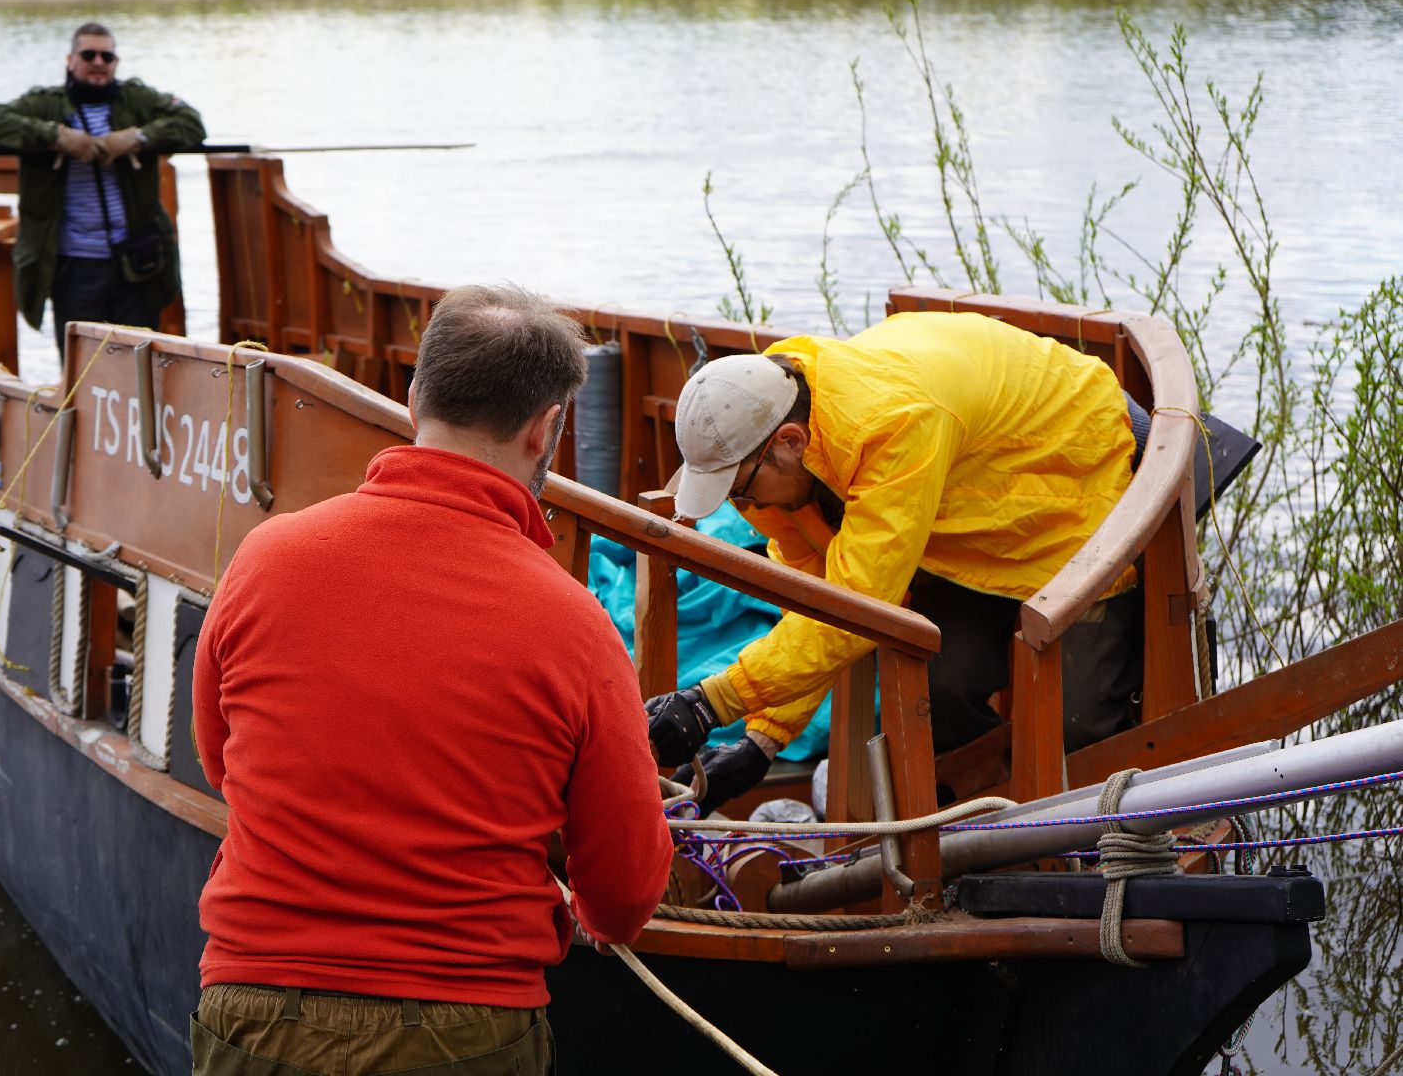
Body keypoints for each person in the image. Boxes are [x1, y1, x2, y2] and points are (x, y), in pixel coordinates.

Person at [191, 284, 673, 1075]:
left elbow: (221, 763)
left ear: (415, 397)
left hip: (256, 1006)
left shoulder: (266, 559)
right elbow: (622, 898)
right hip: (463, 1028)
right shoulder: (574, 623)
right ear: (544, 428)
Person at [645, 311, 1143, 814]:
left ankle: (1095, 852)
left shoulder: (894, 425)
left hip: (1077, 478)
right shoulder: (782, 430)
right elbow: (818, 602)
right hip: (966, 508)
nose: (743, 507)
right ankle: (1001, 824)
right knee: (938, 688)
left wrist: (711, 703)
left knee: (1080, 729)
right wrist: (763, 740)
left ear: (790, 442)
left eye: (739, 489)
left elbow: (853, 611)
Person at [0, 22, 205, 354]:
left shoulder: (136, 100)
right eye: (89, 55)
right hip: (73, 262)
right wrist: (58, 138)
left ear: (116, 62)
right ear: (70, 60)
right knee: (82, 365)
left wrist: (136, 138)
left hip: (135, 259)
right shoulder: (46, 104)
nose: (98, 62)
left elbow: (191, 123)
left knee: (138, 361)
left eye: (107, 56)